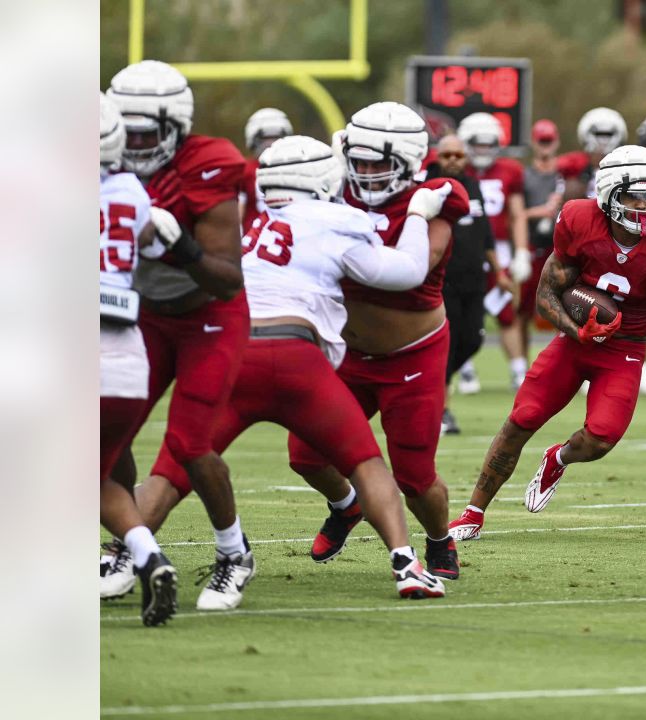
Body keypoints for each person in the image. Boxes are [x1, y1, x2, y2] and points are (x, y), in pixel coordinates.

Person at [130, 136, 458, 606]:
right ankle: (407, 564)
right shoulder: (339, 220)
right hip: (297, 357)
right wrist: (418, 215)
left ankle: (126, 550)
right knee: (365, 461)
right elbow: (407, 271)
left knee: (176, 464)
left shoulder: (246, 221)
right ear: (326, 180)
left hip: (236, 356)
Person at [448, 145, 646, 540]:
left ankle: (558, 457)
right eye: (636, 195)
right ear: (609, 194)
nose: (645, 205)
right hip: (575, 342)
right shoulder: (580, 221)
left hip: (626, 349)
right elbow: (545, 295)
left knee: (601, 439)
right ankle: (473, 512)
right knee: (521, 420)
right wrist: (574, 329)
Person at [283, 102, 472, 580]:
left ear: (408, 163)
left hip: (412, 356)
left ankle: (438, 539)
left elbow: (411, 273)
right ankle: (347, 505)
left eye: (378, 163)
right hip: (345, 353)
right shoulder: (330, 190)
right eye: (359, 160)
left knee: (414, 476)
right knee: (304, 455)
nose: (365, 173)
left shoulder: (432, 202)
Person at [102, 60, 250, 606]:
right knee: (109, 429)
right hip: (139, 311)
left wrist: (180, 247)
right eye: (125, 129)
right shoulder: (95, 158)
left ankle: (234, 553)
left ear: (175, 127)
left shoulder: (207, 164)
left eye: (146, 133)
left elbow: (230, 280)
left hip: (207, 314)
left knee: (190, 443)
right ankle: (127, 542)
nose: (134, 144)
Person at [98, 93, 178, 626]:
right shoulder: (132, 189)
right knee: (98, 477)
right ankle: (150, 558)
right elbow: (152, 243)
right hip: (127, 358)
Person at [458, 112, 533, 388]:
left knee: (506, 313)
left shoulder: (509, 170)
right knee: (460, 312)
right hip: (462, 248)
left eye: (488, 145)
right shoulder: (455, 167)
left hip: (498, 250)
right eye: (477, 144)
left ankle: (518, 370)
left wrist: (521, 251)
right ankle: (464, 368)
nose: (483, 151)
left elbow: (517, 214)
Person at [434, 134, 500, 434]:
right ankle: (441, 410)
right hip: (443, 279)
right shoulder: (429, 186)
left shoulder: (472, 185)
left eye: (457, 155)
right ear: (438, 156)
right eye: (447, 155)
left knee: (472, 340)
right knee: (446, 346)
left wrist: (500, 272)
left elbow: (485, 233)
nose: (452, 161)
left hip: (475, 279)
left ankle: (433, 384)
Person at [520, 119, 566, 352]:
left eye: (549, 141)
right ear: (534, 143)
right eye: (541, 141)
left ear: (556, 141)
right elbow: (516, 214)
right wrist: (540, 211)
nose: (545, 146)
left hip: (562, 250)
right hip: (533, 247)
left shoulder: (564, 174)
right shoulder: (525, 176)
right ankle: (520, 366)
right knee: (525, 309)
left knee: (568, 307)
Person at [239, 108, 292, 236]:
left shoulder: (294, 167)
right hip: (254, 240)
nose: (271, 145)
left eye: (276, 139)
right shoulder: (244, 170)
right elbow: (237, 213)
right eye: (266, 139)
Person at [558, 107, 628, 201]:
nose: (603, 141)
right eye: (599, 134)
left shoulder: (626, 168)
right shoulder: (575, 166)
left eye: (608, 134)